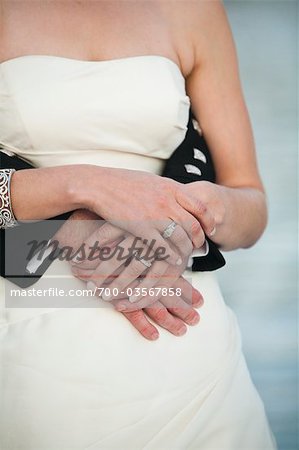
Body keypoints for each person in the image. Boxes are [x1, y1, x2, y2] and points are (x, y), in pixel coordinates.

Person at [0, 1, 276, 449]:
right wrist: (82, 186)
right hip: (34, 344)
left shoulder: (193, 10)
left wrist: (201, 209)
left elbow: (252, 205)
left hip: (191, 347)